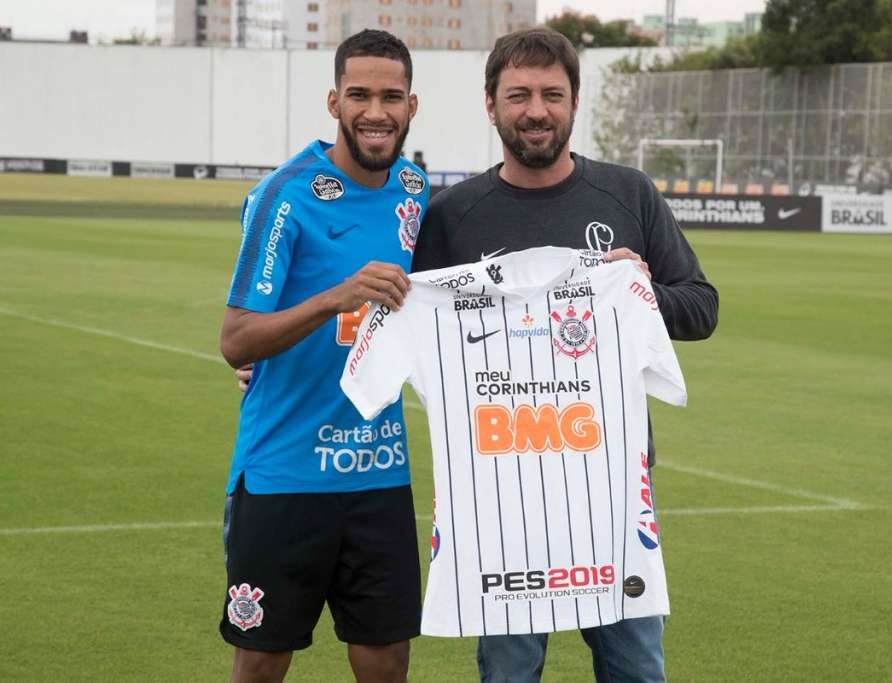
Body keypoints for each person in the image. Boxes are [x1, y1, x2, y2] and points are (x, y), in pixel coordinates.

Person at [409, 28, 718, 683]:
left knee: (636, 670)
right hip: (499, 491)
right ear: (490, 105)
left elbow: (701, 306)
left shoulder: (627, 194)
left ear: (574, 103)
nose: (536, 109)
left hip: (612, 487)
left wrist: (637, 292)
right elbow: (407, 323)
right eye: (518, 94)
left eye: (552, 93)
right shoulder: (452, 215)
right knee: (510, 674)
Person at [218, 30, 426, 683]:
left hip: (378, 472)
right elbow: (236, 338)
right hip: (284, 474)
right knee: (261, 659)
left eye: (391, 96)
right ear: (334, 100)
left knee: (387, 658)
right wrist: (335, 297)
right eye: (360, 94)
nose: (376, 110)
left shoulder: (417, 192)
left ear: (411, 106)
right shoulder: (286, 194)